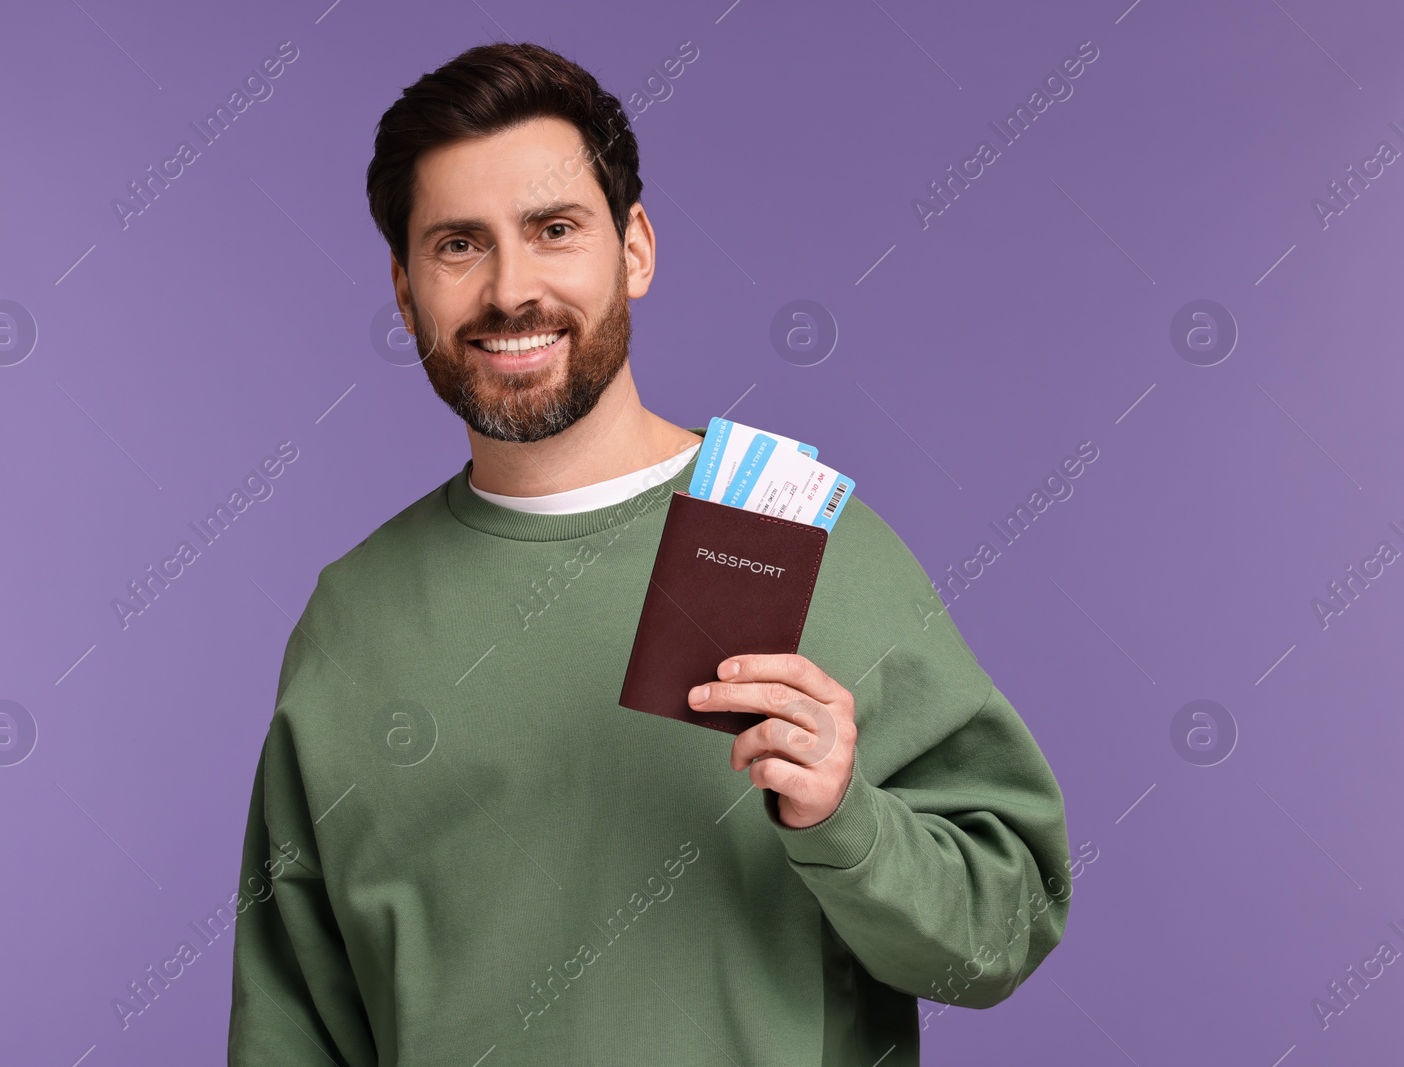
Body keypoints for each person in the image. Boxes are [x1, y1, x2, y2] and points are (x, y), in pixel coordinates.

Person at [227, 41, 1071, 1066]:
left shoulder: (807, 544)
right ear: (405, 292)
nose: (509, 290)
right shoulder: (351, 620)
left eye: (552, 230)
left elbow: (1002, 933)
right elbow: (291, 1022)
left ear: (633, 249)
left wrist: (847, 819)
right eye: (458, 245)